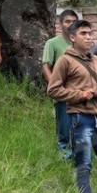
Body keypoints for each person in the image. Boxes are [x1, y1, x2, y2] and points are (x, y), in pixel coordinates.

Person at [46, 20, 97, 193]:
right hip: (80, 117)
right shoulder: (65, 61)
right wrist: (80, 94)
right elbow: (53, 89)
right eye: (83, 33)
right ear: (72, 37)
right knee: (84, 163)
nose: (88, 37)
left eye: (90, 33)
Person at [42, 9, 79, 159]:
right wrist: (55, 86)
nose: (71, 24)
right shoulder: (52, 43)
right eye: (67, 21)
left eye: (73, 21)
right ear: (60, 23)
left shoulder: (79, 43)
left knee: (79, 128)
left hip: (80, 94)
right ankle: (64, 158)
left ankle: (79, 157)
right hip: (63, 94)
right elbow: (46, 66)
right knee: (64, 128)